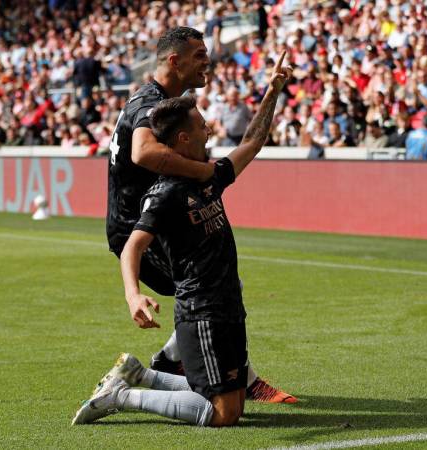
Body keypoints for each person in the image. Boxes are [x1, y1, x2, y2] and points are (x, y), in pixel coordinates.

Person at [73, 54, 294, 426]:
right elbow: (133, 247)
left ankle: (142, 375)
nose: (209, 130)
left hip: (227, 306)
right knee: (224, 415)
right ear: (182, 138)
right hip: (201, 310)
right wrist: (133, 295)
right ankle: (124, 396)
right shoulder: (166, 193)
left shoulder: (209, 175)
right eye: (202, 126)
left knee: (235, 401)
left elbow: (252, 143)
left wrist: (272, 92)